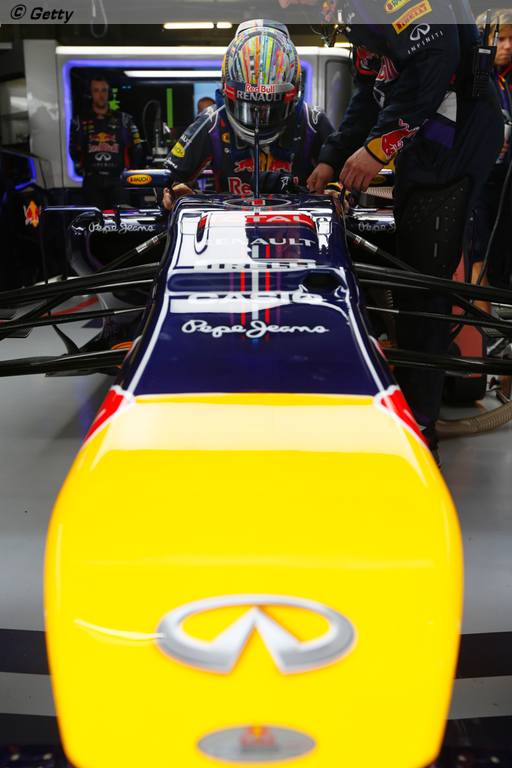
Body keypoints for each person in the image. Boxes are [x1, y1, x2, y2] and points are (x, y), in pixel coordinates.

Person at [307, 0, 503, 456]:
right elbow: (370, 93)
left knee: (423, 290)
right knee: (411, 282)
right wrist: (332, 157)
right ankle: (407, 409)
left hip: (455, 140)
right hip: (426, 145)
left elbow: (436, 57)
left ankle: (420, 433)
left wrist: (379, 148)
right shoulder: (357, 15)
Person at [163, 19, 333, 206]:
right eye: (249, 107)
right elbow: (169, 179)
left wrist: (336, 192)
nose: (259, 117)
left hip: (299, 223)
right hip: (228, 223)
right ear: (227, 90)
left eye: (270, 109)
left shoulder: (312, 121)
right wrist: (176, 192)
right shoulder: (212, 121)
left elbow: (345, 182)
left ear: (294, 94)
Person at [70, 74, 145, 210]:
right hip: (92, 181)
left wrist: (130, 171)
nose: (101, 95)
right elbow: (73, 150)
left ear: (109, 93)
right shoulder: (79, 120)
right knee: (93, 220)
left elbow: (137, 148)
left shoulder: (124, 120)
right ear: (90, 93)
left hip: (118, 180)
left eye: (104, 90)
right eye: (96, 90)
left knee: (122, 220)